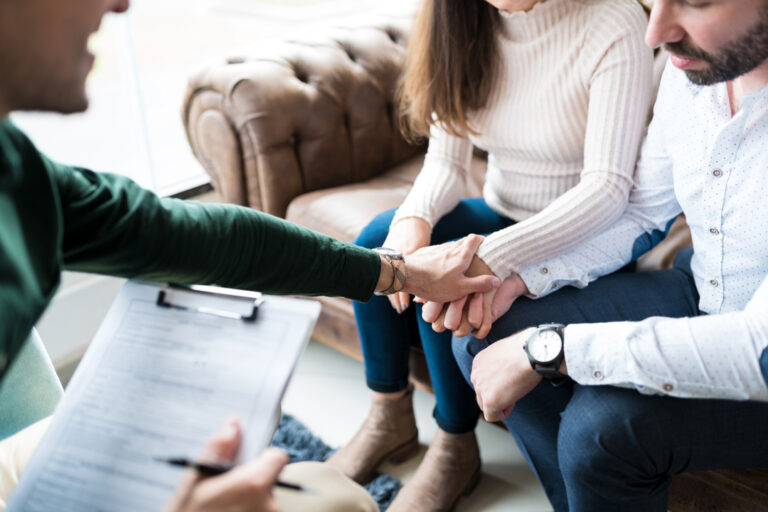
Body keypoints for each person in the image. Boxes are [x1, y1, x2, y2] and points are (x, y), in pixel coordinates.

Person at [0, 0, 503, 509]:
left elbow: (209, 239)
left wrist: (396, 271)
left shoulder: (17, 167)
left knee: (331, 497)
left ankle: (405, 430)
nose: (121, 5)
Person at [326, 0, 654, 509]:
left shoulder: (613, 21)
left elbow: (607, 189)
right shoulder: (457, 18)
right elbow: (445, 162)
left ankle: (455, 444)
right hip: (501, 214)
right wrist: (411, 225)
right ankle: (387, 416)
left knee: (451, 279)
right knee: (376, 246)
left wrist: (489, 257)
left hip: (582, 240)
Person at [451, 0, 768, 510]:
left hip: (758, 353)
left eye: (695, 2)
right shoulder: (695, 69)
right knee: (487, 331)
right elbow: (643, 212)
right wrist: (523, 277)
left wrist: (550, 348)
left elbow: (757, 349)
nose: (655, 31)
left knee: (598, 432)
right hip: (704, 286)